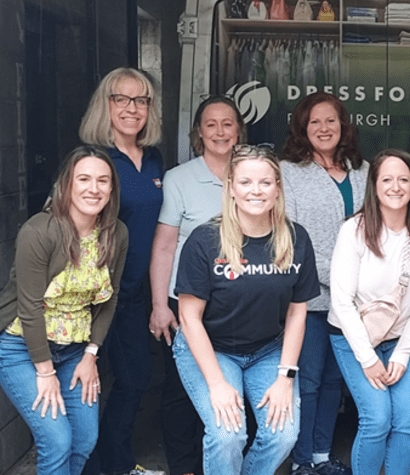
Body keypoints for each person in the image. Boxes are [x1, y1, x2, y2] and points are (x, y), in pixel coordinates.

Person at [173, 145, 320, 475]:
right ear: (231, 187)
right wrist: (217, 383)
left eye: (265, 183)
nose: (256, 191)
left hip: (268, 350)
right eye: (246, 182)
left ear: (278, 187)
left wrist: (286, 377)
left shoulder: (296, 239)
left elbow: (298, 313)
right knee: (227, 435)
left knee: (283, 435)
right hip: (211, 349)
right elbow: (189, 318)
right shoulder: (205, 240)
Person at [0, 146, 128, 475]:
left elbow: (109, 299)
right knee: (57, 441)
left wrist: (91, 355)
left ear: (112, 188)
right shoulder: (39, 231)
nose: (93, 188)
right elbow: (29, 307)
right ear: (67, 184)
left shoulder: (116, 234)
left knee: (84, 439)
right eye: (83, 179)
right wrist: (44, 372)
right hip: (22, 348)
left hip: (75, 350)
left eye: (103, 180)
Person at [328, 149, 410, 475]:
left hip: (401, 338)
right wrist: (368, 359)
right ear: (374, 185)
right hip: (354, 338)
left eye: (404, 179)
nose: (396, 186)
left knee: (408, 421)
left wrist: (404, 353)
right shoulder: (354, 230)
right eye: (387, 179)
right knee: (377, 419)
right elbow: (342, 300)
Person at [150, 95, 247, 475]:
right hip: (187, 302)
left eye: (227, 123)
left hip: (241, 304)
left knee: (233, 389)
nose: (220, 131)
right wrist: (160, 305)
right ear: (199, 133)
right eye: (211, 124)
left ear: (238, 130)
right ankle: (186, 467)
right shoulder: (179, 178)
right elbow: (164, 245)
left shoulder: (252, 172)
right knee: (180, 390)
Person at [78, 67, 165, 475]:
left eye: (141, 100)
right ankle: (100, 465)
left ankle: (112, 463)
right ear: (106, 104)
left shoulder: (154, 159)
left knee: (133, 379)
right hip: (97, 296)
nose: (132, 109)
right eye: (122, 99)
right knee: (102, 383)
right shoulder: (93, 160)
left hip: (136, 293)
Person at [280, 92, 368, 475]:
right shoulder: (289, 171)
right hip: (313, 299)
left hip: (357, 301)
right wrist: (343, 279)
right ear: (302, 127)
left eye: (331, 120)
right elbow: (291, 238)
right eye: (314, 121)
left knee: (335, 381)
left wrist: (361, 284)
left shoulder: (362, 169)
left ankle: (320, 455)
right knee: (309, 382)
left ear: (343, 125)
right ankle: (301, 462)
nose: (323, 128)